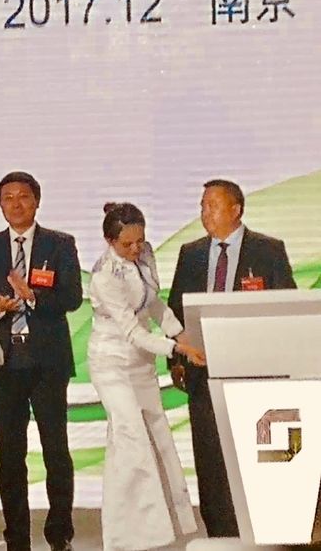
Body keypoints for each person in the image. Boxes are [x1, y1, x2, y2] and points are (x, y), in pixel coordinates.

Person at [168, 179, 296, 537]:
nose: (205, 213)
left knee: (254, 456)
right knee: (210, 459)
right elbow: (175, 309)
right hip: (204, 370)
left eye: (213, 205)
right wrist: (176, 361)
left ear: (236, 209)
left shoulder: (268, 250)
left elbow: (285, 305)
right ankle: (220, 534)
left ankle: (261, 531)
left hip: (254, 373)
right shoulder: (191, 253)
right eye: (202, 206)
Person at [0, 171, 82, 551]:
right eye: (8, 197)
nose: (15, 204)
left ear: (36, 201)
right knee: (11, 456)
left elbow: (72, 297)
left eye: (23, 197)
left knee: (56, 451)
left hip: (48, 362)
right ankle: (16, 538)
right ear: (0, 204)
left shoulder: (60, 244)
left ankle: (59, 534)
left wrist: (32, 296)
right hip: (6, 362)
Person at [87, 202, 202, 550]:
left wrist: (180, 333)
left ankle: (162, 527)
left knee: (156, 433)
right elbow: (132, 332)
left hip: (141, 363)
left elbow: (155, 304)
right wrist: (177, 349)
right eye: (128, 244)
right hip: (111, 361)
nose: (136, 248)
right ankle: (127, 534)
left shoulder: (145, 254)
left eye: (140, 240)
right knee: (129, 438)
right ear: (110, 241)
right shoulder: (104, 276)